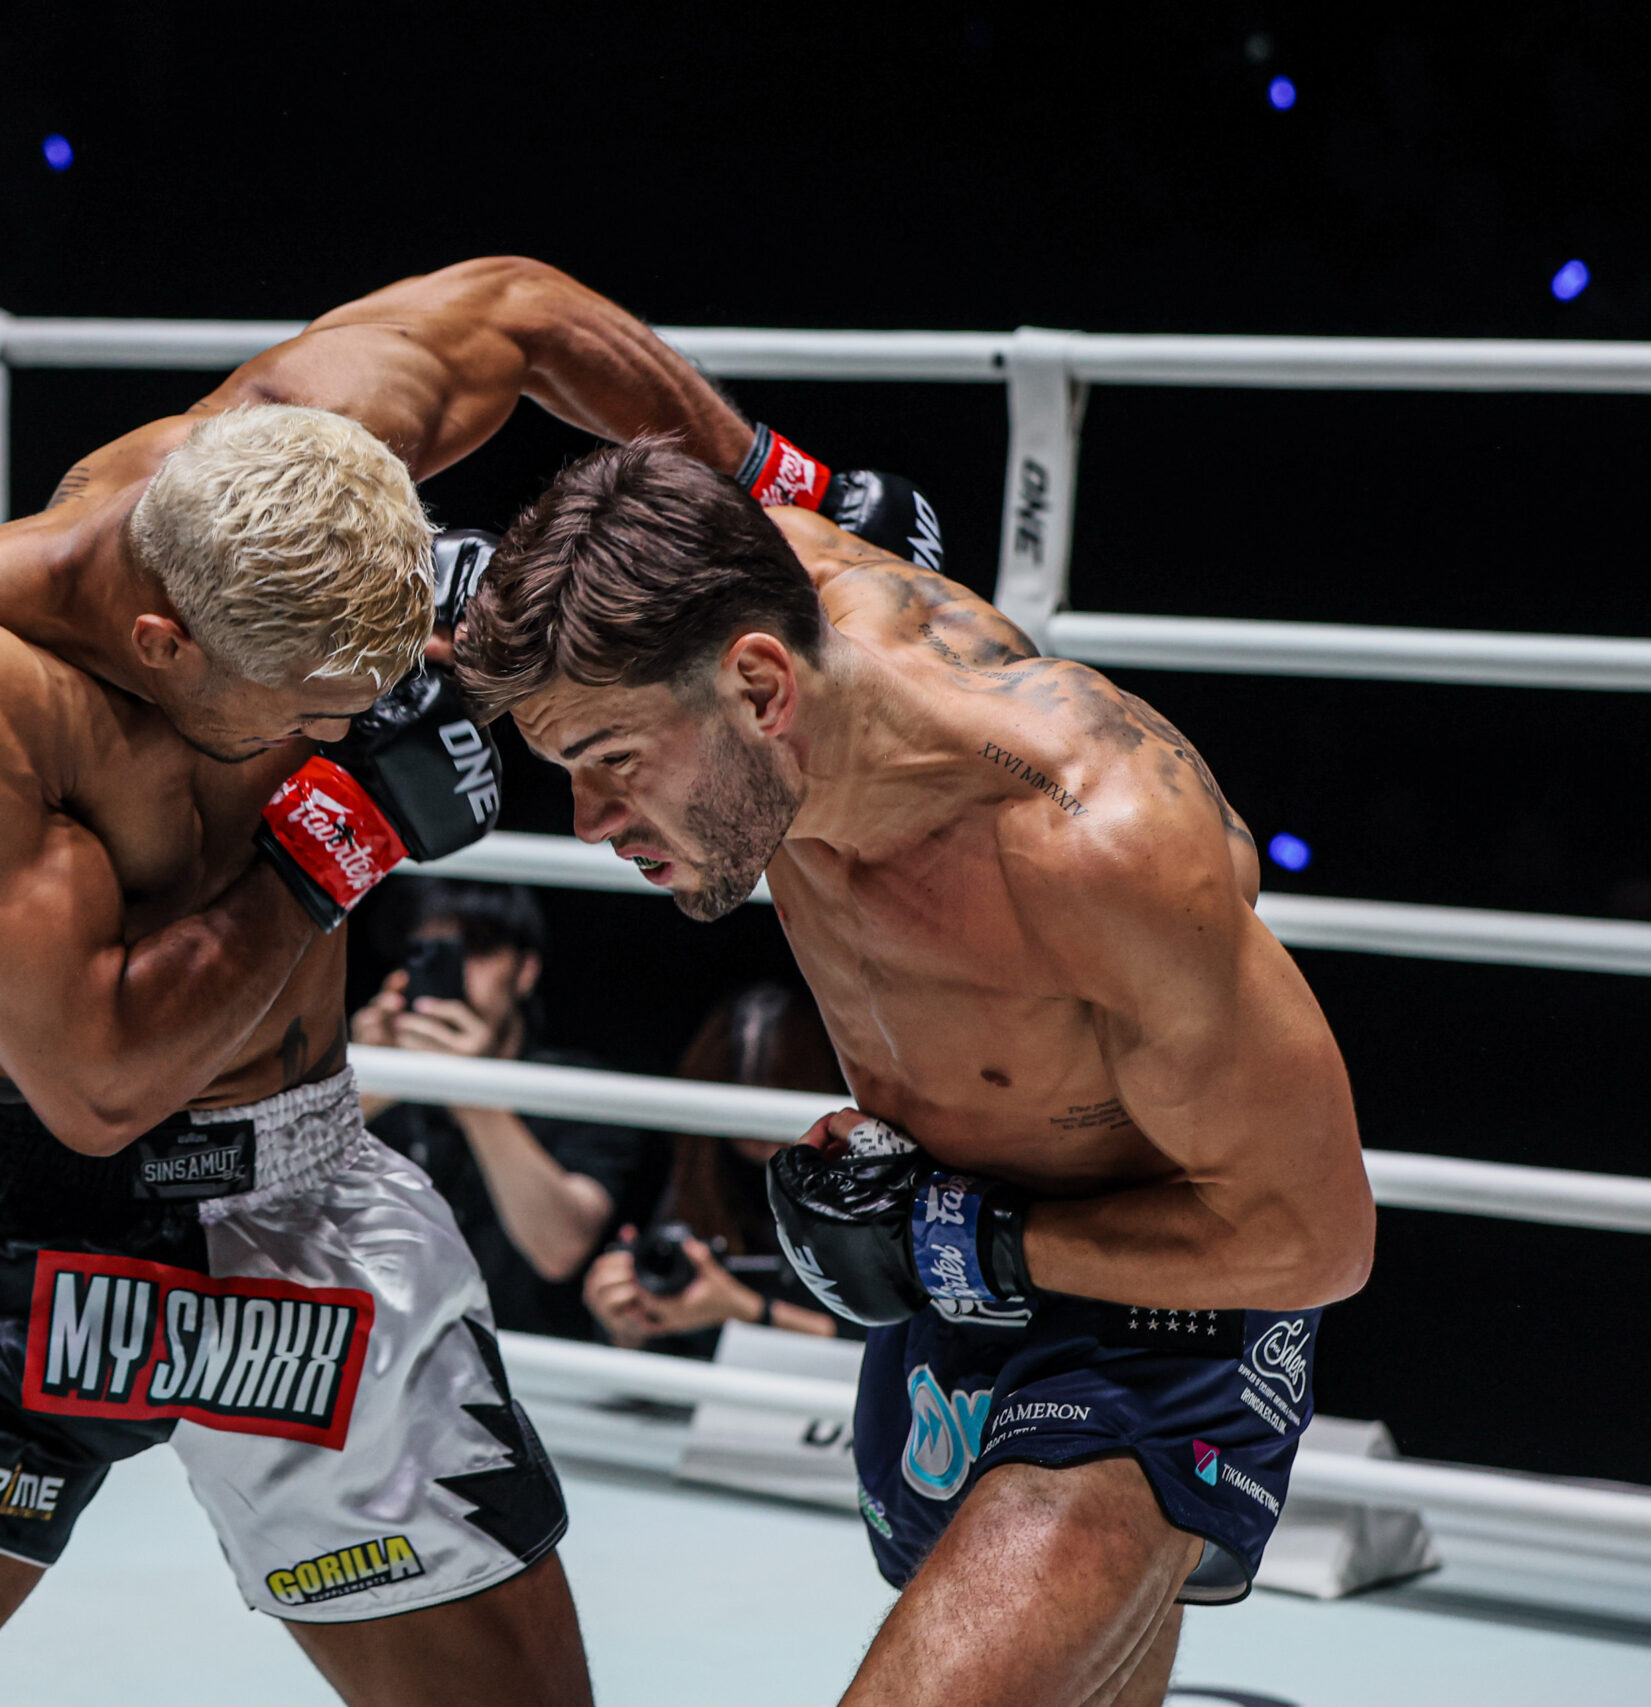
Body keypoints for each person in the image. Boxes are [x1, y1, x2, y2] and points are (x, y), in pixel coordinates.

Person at [0, 256, 919, 1707]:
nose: (334, 731)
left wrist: (776, 487)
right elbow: (97, 1087)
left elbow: (521, 308)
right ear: (165, 643)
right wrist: (336, 836)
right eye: (301, 714)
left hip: (305, 1199)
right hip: (25, 1221)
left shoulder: (304, 448)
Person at [454, 440, 1374, 1707]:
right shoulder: (756, 595)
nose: (590, 822)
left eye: (614, 757)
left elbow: (1316, 1239)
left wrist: (967, 1244)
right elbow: (601, 387)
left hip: (1161, 1323)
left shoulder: (1097, 849)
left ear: (761, 687)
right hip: (949, 1291)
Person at [354, 879, 661, 1341]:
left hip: (535, 1360)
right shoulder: (378, 1079)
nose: (457, 973)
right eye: (427, 952)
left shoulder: (582, 1088)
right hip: (391, 1354)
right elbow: (274, 1191)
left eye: (477, 949)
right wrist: (362, 1086)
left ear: (525, 971)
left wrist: (473, 1095)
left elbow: (559, 1250)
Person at [583, 982, 853, 1356]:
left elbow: (867, 1351)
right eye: (745, 1118)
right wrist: (628, 1322)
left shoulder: (853, 1185)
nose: (762, 1137)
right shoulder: (703, 1173)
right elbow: (646, 1355)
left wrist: (743, 1309)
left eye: (777, 1113)